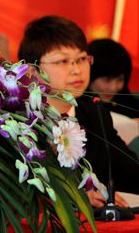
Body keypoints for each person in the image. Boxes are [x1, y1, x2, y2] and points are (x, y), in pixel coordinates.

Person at [17, 16, 139, 208]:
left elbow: (130, 172)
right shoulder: (17, 120)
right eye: (63, 61)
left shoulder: (95, 114)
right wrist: (71, 195)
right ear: (32, 71)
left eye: (82, 59)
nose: (76, 70)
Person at [88, 38, 139, 119]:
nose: (113, 88)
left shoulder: (132, 109)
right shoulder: (72, 109)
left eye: (119, 80)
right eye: (107, 80)